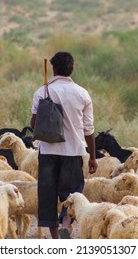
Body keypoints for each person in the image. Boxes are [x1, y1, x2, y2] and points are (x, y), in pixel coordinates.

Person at [30, 51, 98, 239]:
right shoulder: (82, 94)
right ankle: (66, 223)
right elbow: (89, 129)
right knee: (72, 192)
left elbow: (33, 125)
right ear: (71, 69)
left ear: (53, 69)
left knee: (47, 193)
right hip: (74, 151)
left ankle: (55, 237)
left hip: (48, 151)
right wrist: (92, 157)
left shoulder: (42, 91)